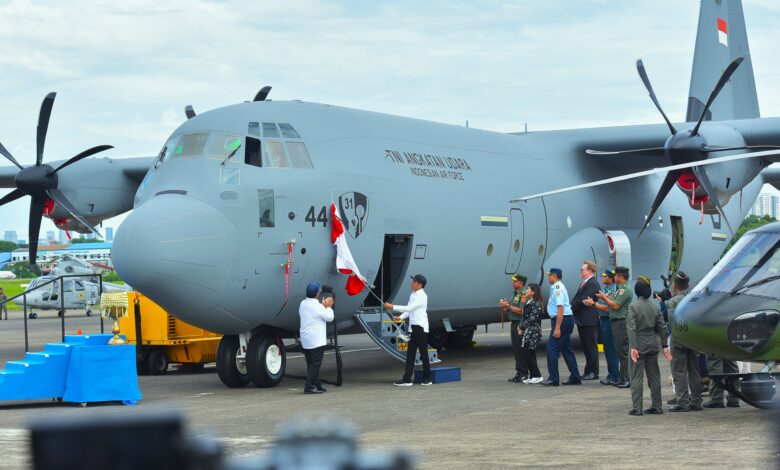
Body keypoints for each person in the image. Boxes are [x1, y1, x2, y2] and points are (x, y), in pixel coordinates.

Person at [626, 276, 672, 416]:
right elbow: (662, 327)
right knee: (654, 377)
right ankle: (657, 405)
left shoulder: (633, 306)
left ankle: (637, 407)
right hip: (652, 343)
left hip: (638, 343)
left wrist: (634, 346)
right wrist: (664, 344)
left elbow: (631, 328)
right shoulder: (654, 306)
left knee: (636, 377)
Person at [667, 271, 703, 412]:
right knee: (695, 371)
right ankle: (697, 401)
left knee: (679, 372)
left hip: (679, 341)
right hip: (693, 340)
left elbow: (672, 323)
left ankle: (682, 402)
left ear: (675, 285)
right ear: (687, 285)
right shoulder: (694, 300)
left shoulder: (672, 302)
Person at [386, 274, 431, 386]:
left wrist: (392, 307)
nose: (412, 283)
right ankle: (407, 379)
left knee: (423, 353)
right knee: (410, 354)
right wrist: (400, 317)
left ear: (420, 285)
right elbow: (409, 310)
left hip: (421, 327)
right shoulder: (413, 294)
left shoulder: (422, 296)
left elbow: (410, 308)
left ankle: (427, 378)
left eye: (414, 281)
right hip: (413, 328)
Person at [541, 268, 581, 386]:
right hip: (565, 320)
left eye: (549, 276)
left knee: (551, 349)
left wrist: (557, 327)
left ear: (554, 276)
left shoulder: (558, 288)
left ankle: (553, 378)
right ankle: (575, 376)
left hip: (562, 320)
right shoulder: (556, 287)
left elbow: (560, 308)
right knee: (567, 349)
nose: (548, 278)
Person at [596, 266, 632, 389]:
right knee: (621, 352)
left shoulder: (624, 290)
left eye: (615, 275)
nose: (614, 277)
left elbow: (615, 306)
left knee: (623, 352)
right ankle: (622, 378)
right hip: (616, 322)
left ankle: (627, 379)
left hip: (620, 322)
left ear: (620, 276)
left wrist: (603, 298)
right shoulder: (619, 289)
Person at [298, 282, 334, 394]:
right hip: (316, 340)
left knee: (311, 364)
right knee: (315, 364)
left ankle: (316, 384)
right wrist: (328, 307)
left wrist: (323, 306)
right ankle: (309, 387)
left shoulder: (303, 303)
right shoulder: (318, 307)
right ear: (317, 294)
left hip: (306, 339)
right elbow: (330, 317)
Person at [585, 269, 620, 385]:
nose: (603, 278)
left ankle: (614, 375)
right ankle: (612, 374)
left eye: (605, 276)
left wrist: (593, 304)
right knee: (607, 349)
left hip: (608, 321)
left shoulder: (613, 290)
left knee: (611, 350)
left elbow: (606, 308)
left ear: (610, 278)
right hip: (604, 321)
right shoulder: (606, 290)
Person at [570, 260, 600, 380]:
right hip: (582, 320)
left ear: (590, 271)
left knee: (591, 346)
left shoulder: (592, 283)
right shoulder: (584, 283)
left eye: (583, 269)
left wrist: (570, 309)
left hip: (589, 320)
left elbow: (583, 300)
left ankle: (593, 371)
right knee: (586, 347)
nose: (580, 271)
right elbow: (577, 298)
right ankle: (588, 370)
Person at [499, 274, 527, 383]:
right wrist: (506, 307)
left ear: (520, 283)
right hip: (513, 323)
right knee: (516, 349)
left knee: (521, 349)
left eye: (515, 281)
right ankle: (519, 372)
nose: (513, 283)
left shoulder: (523, 294)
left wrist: (509, 306)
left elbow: (521, 311)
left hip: (519, 324)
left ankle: (524, 373)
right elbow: (512, 309)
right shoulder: (514, 293)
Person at [518, 283, 544, 383]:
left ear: (533, 292)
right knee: (527, 352)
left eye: (528, 289)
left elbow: (532, 318)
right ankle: (533, 375)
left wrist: (521, 326)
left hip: (533, 331)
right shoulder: (529, 302)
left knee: (529, 352)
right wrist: (520, 326)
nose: (526, 290)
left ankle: (537, 375)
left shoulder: (536, 303)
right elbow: (524, 317)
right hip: (528, 330)